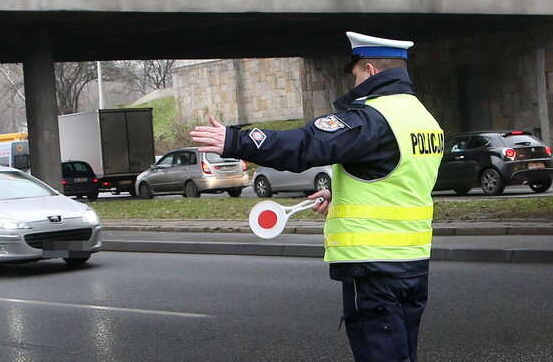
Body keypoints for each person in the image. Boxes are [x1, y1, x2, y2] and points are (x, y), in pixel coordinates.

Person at [190, 32, 444, 362]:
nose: (354, 82)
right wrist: (341, 194)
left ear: (369, 69)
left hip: (373, 268)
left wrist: (235, 141)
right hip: (412, 263)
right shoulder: (422, 118)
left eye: (355, 73)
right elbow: (397, 180)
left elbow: (305, 145)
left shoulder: (372, 117)